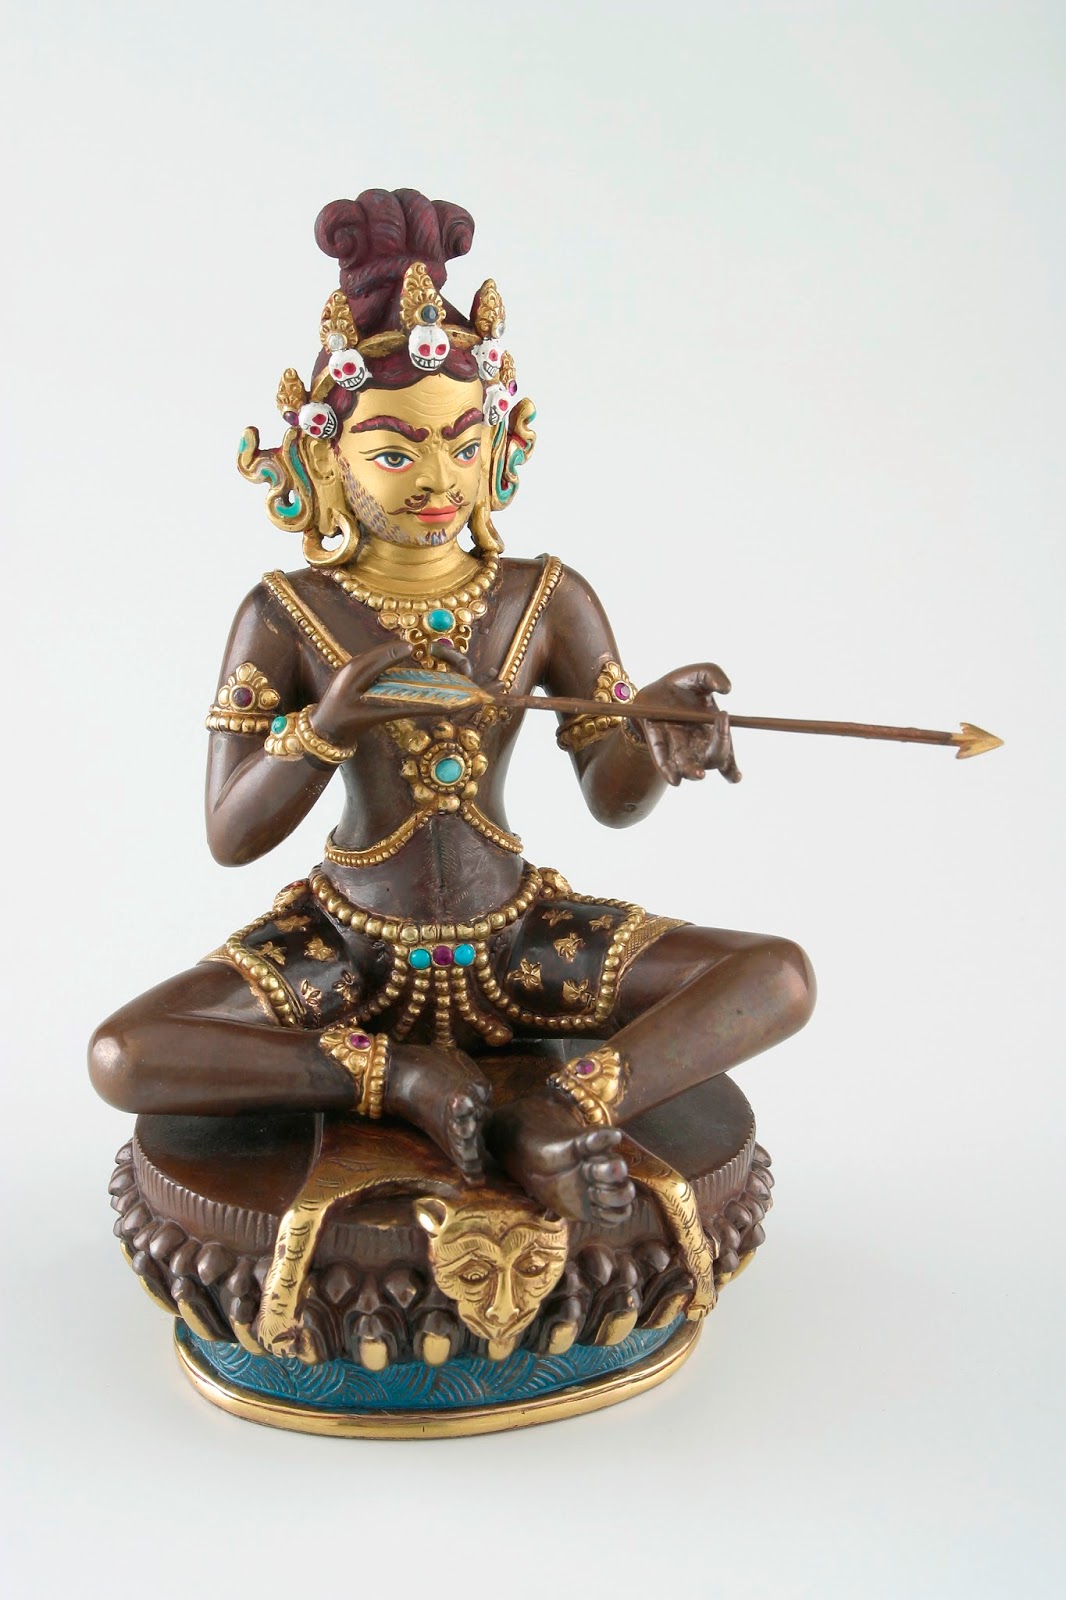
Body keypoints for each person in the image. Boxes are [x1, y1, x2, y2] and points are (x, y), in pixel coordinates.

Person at [89, 186, 815, 1236]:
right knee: (125, 1054)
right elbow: (229, 834)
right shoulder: (286, 612)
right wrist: (327, 727)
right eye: (395, 452)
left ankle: (559, 1109)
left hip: (518, 938)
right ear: (324, 459)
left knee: (777, 976)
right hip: (347, 950)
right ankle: (396, 1081)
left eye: (463, 445)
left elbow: (611, 800)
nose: (437, 479)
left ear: (499, 449)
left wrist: (650, 738)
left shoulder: (544, 598)